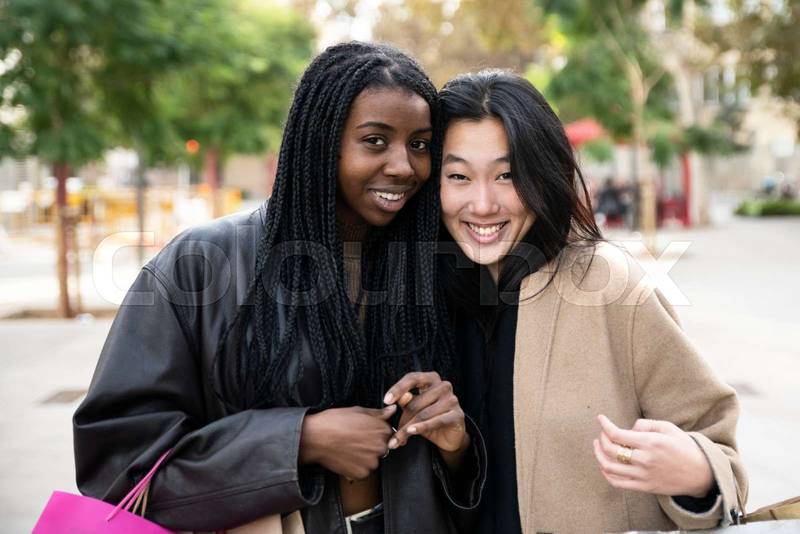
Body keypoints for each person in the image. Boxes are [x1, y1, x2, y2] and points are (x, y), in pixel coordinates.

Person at [73, 42, 484, 533]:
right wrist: (298, 440)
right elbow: (118, 463)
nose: (405, 166)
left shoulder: (431, 266)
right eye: (375, 141)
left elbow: (474, 477)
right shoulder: (202, 266)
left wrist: (457, 446)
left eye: (419, 144)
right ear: (320, 141)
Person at [433, 70, 747, 533]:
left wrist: (696, 472)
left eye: (507, 175)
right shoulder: (423, 298)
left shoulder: (610, 286)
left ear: (542, 174)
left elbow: (721, 453)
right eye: (458, 176)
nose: (482, 204)